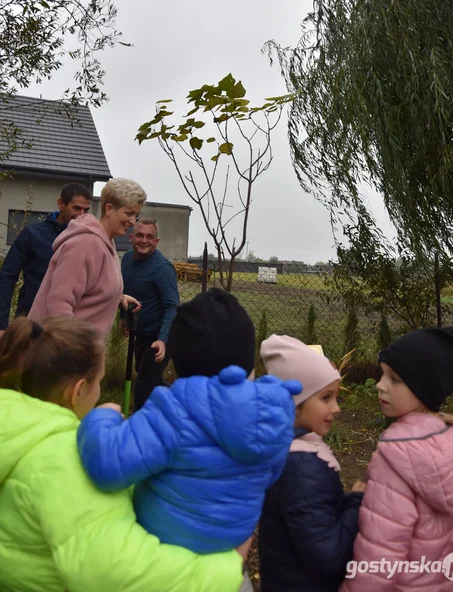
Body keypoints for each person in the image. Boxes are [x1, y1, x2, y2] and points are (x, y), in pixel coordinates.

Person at [0, 315, 246, 592]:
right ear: (78, 391)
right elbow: (115, 573)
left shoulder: (16, 430)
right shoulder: (66, 459)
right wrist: (228, 567)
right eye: (99, 381)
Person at [77, 288, 302, 558]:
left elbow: (108, 464)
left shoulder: (174, 410)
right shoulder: (276, 410)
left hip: (167, 550)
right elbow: (270, 475)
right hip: (229, 550)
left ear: (179, 362)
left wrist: (102, 418)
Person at [340, 326, 453, 592]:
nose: (380, 385)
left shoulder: (396, 459)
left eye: (395, 379)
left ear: (423, 389)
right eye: (383, 374)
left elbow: (379, 560)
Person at [258, 335, 364, 592]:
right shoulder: (301, 467)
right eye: (326, 397)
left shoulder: (289, 449)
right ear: (294, 406)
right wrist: (356, 504)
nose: (337, 408)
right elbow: (328, 558)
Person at [29, 178, 145, 338]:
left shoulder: (106, 243)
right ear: (109, 208)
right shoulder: (86, 243)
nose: (133, 221)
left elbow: (90, 288)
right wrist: (75, 353)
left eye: (136, 215)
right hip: (58, 353)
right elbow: (59, 303)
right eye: (129, 213)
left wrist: (118, 297)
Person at [0, 182, 92, 336]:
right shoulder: (32, 234)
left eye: (86, 210)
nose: (81, 215)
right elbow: (7, 276)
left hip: (69, 327)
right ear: (61, 204)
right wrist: (1, 325)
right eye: (76, 208)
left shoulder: (88, 240)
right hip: (31, 323)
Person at [120, 218, 180, 410]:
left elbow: (173, 307)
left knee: (143, 389)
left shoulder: (162, 268)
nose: (144, 240)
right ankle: (183, 404)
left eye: (149, 237)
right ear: (131, 237)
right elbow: (124, 292)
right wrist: (123, 318)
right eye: (139, 235)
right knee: (150, 380)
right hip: (141, 331)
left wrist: (162, 339)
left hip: (163, 333)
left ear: (156, 241)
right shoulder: (127, 259)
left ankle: (140, 433)